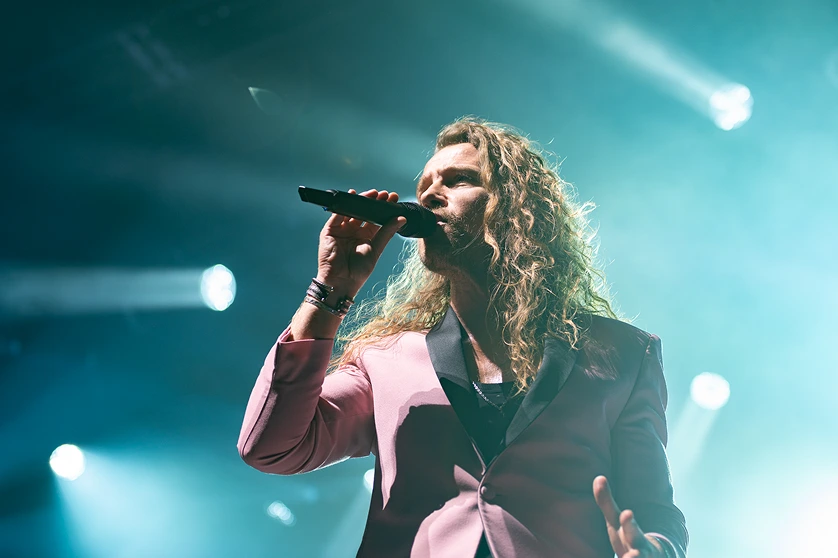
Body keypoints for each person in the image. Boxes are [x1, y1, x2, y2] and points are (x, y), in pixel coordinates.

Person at [238, 118, 688, 558]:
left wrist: (655, 552)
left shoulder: (623, 354)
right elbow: (271, 448)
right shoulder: (386, 358)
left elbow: (655, 512)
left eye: (459, 180)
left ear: (516, 210)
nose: (430, 194)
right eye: (427, 183)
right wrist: (329, 292)